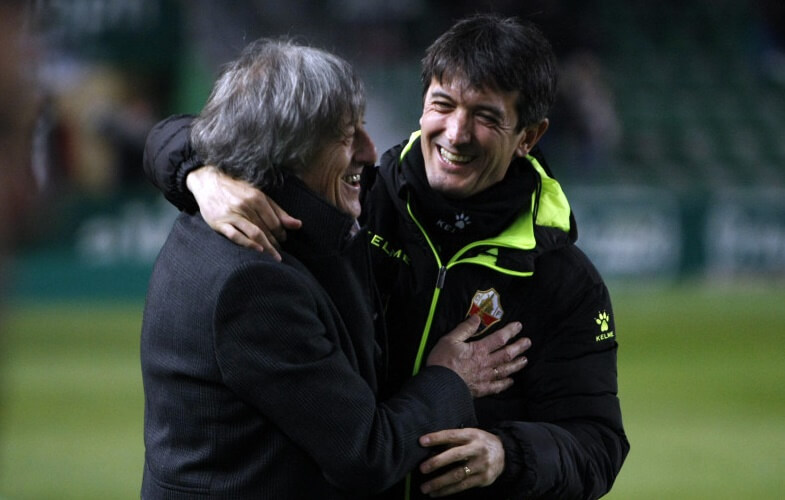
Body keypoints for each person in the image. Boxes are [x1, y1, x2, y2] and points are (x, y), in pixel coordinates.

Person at [144, 14, 629, 499]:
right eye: (443, 104)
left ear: (529, 136)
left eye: (485, 116)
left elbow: (598, 444)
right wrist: (199, 173)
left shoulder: (564, 280)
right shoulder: (353, 206)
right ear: (423, 104)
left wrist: (508, 455)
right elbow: (233, 128)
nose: (456, 134)